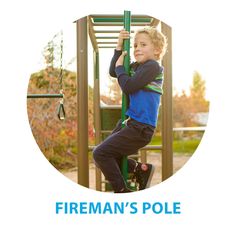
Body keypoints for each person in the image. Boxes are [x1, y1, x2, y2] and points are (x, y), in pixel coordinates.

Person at [93, 27, 167, 193]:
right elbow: (114, 71)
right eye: (134, 45)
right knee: (101, 157)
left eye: (143, 44)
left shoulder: (153, 67)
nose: (137, 48)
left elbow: (128, 86)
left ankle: (121, 190)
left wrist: (121, 69)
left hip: (141, 127)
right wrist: (119, 46)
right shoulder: (136, 67)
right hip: (129, 123)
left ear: (156, 50)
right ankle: (141, 169)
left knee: (101, 153)